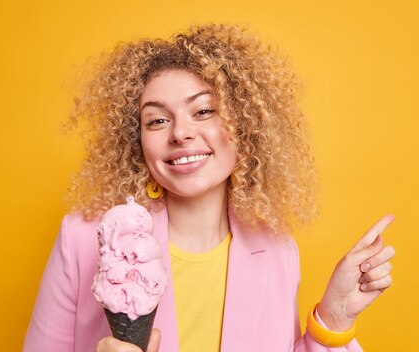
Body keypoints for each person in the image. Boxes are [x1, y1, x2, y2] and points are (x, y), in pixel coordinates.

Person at [24, 24, 395, 352]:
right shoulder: (84, 240)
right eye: (156, 120)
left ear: (244, 126)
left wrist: (334, 318)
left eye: (203, 111)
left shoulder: (277, 249)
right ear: (136, 141)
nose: (181, 132)